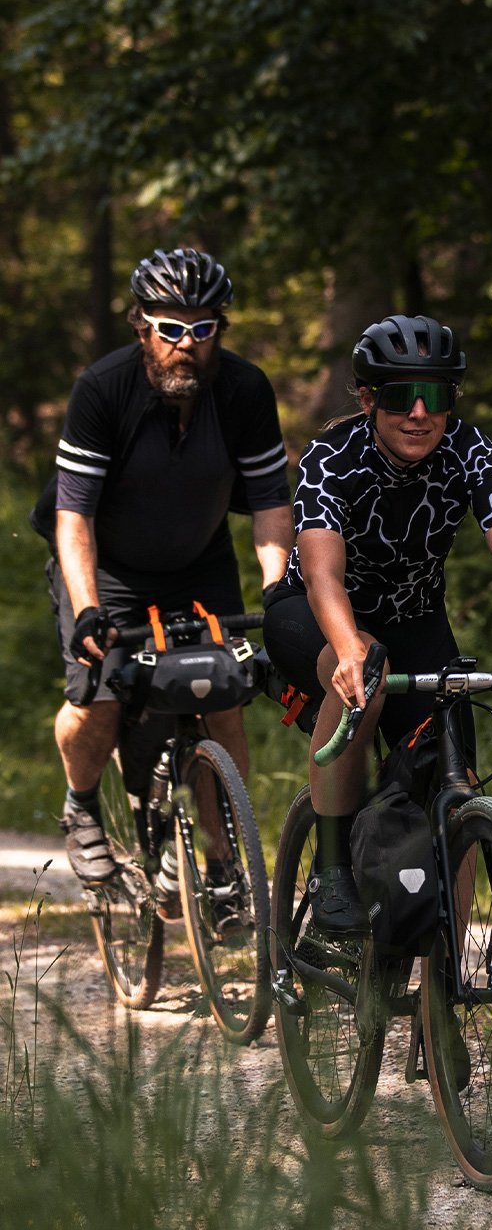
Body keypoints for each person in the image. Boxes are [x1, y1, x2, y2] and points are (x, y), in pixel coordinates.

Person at [262, 313, 492, 935]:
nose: (419, 413)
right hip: (313, 614)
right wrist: (346, 648)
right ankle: (332, 868)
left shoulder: (470, 449)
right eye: (398, 396)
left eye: (437, 396)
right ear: (368, 399)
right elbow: (322, 575)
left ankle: (440, 989)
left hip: (417, 621)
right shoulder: (331, 457)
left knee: (457, 787)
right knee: (367, 665)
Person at [51, 247, 292, 889]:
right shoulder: (103, 389)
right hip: (108, 569)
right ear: (142, 327)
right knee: (99, 694)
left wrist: (278, 593)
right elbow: (73, 518)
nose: (186, 343)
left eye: (202, 328)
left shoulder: (244, 389)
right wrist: (86, 612)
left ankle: (220, 866)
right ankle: (81, 805)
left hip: (198, 563)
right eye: (170, 328)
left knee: (223, 698)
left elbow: (271, 505)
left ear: (219, 330)